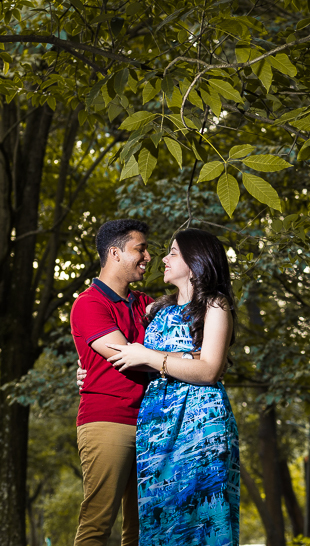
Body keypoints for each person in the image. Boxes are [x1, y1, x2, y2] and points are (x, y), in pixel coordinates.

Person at [106, 228, 240, 546]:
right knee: (159, 517)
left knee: (203, 517)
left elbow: (209, 370)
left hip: (201, 422)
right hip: (156, 424)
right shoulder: (155, 311)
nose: (163, 258)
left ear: (196, 263)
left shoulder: (215, 306)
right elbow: (126, 353)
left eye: (174, 253)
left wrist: (151, 357)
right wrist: (85, 370)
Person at [71, 219, 153, 546]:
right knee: (97, 523)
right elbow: (126, 356)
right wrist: (178, 359)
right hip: (108, 419)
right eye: (140, 249)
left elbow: (174, 344)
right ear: (115, 253)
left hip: (151, 422)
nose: (148, 257)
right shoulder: (89, 303)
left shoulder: (146, 303)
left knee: (143, 528)